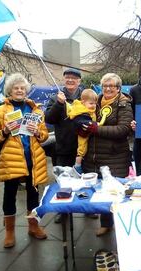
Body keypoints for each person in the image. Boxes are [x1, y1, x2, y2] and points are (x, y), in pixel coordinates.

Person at [0, 73, 48, 248]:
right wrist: (5, 131)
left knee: (33, 194)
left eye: (22, 88)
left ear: (26, 91)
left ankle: (33, 226)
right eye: (16, 88)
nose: (19, 91)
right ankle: (9, 232)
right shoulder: (0, 111)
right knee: (9, 195)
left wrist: (37, 132)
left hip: (33, 158)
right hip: (11, 159)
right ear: (10, 91)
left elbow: (44, 136)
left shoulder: (36, 110)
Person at [82, 73, 133, 236]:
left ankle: (121, 224)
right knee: (101, 192)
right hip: (94, 155)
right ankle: (106, 223)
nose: (108, 89)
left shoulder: (123, 104)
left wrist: (97, 129)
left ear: (118, 89)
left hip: (115, 156)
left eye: (112, 86)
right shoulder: (94, 102)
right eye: (105, 86)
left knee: (116, 192)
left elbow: (123, 129)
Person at [45, 68, 98, 223]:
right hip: (64, 147)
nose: (70, 81)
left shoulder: (86, 96)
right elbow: (49, 118)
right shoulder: (56, 97)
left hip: (84, 148)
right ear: (64, 80)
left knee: (86, 179)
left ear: (79, 81)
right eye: (67, 78)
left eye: (73, 78)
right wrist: (59, 104)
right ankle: (64, 211)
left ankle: (87, 207)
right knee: (64, 180)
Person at [67, 89, 99, 174]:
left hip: (88, 133)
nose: (93, 106)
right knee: (82, 148)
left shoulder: (87, 109)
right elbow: (81, 121)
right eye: (91, 103)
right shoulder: (81, 111)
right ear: (83, 102)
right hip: (83, 134)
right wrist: (93, 124)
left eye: (95, 103)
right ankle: (77, 165)